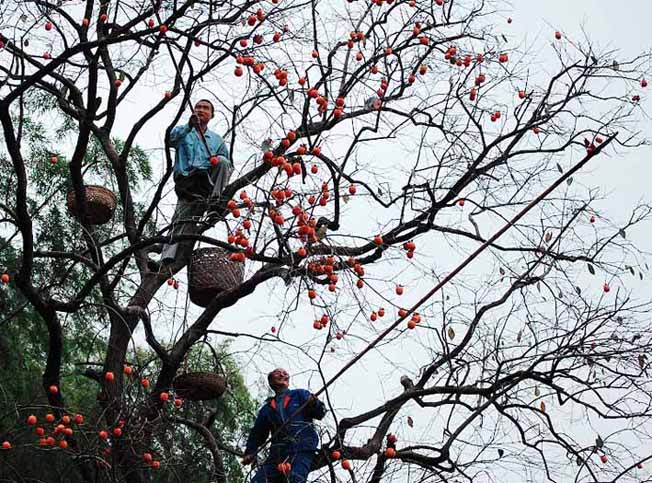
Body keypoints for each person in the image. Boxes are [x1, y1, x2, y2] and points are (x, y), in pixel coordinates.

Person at [151, 99, 232, 269]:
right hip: (188, 181)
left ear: (211, 115)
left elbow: (227, 167)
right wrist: (189, 125)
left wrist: (213, 164)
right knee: (180, 221)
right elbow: (170, 139)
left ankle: (215, 201)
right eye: (198, 107)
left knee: (223, 161)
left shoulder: (217, 140)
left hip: (207, 182)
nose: (201, 110)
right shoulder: (184, 132)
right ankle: (165, 260)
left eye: (205, 108)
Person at [243, 368, 326, 483]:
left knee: (295, 479)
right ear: (271, 382)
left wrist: (314, 404)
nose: (283, 374)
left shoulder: (300, 394)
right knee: (259, 480)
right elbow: (258, 433)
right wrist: (250, 452)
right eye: (278, 373)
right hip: (278, 452)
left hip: (301, 446)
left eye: (285, 373)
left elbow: (320, 413)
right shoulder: (267, 409)